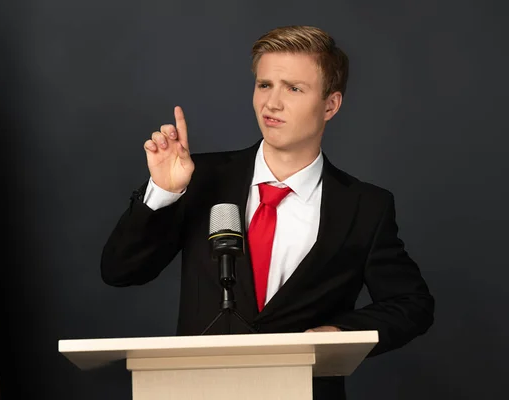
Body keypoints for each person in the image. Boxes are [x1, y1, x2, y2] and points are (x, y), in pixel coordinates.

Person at [100, 25, 434, 400]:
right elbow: (119, 271)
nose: (271, 104)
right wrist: (164, 191)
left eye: (293, 88)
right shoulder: (199, 178)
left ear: (330, 105)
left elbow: (412, 304)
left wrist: (340, 334)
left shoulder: (365, 206)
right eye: (264, 85)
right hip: (196, 390)